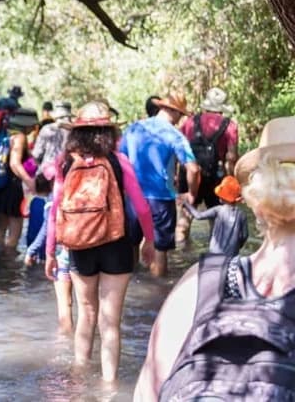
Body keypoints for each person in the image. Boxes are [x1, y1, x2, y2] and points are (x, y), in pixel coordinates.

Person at [134, 117, 295, 401]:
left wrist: (187, 205)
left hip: (218, 263)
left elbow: (147, 393)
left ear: (256, 202)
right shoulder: (228, 129)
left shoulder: (196, 285)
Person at [44, 101, 156, 382]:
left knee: (86, 314)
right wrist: (150, 242)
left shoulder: (66, 162)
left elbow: (55, 208)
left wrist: (50, 252)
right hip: (117, 244)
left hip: (80, 245)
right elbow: (142, 207)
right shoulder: (119, 161)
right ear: (108, 131)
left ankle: (80, 382)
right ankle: (109, 389)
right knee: (111, 323)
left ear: (77, 132)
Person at [119, 92, 201, 277]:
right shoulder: (175, 136)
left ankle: (133, 288)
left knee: (132, 243)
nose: (180, 119)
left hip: (133, 198)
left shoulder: (133, 129)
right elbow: (194, 169)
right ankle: (157, 294)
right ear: (172, 111)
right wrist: (191, 194)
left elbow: (120, 160)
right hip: (161, 200)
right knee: (160, 248)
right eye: (180, 114)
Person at [176, 87, 240, 242]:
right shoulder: (230, 125)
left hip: (190, 172)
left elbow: (178, 150)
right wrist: (232, 179)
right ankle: (215, 258)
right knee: (216, 220)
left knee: (184, 220)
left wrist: (177, 176)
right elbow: (231, 156)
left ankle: (181, 255)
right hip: (215, 176)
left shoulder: (190, 122)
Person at [25, 165, 74, 334]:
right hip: (85, 249)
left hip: (63, 254)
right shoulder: (76, 190)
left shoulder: (53, 200)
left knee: (64, 304)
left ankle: (63, 343)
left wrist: (32, 250)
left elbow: (47, 229)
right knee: (88, 305)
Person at [0, 108, 39, 250]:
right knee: (15, 233)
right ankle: (10, 266)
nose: (34, 128)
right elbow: (15, 163)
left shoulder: (4, 134)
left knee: (1, 229)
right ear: (26, 124)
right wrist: (30, 183)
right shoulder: (20, 137)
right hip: (12, 189)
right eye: (33, 125)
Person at [182, 175, 248, 256]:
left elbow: (198, 216)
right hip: (232, 254)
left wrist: (186, 204)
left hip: (215, 252)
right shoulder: (242, 214)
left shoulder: (218, 210)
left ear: (221, 196)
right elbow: (245, 235)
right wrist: (237, 246)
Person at [32, 101, 73, 171]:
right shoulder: (77, 130)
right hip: (68, 170)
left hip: (48, 170)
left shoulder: (46, 128)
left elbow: (37, 153)